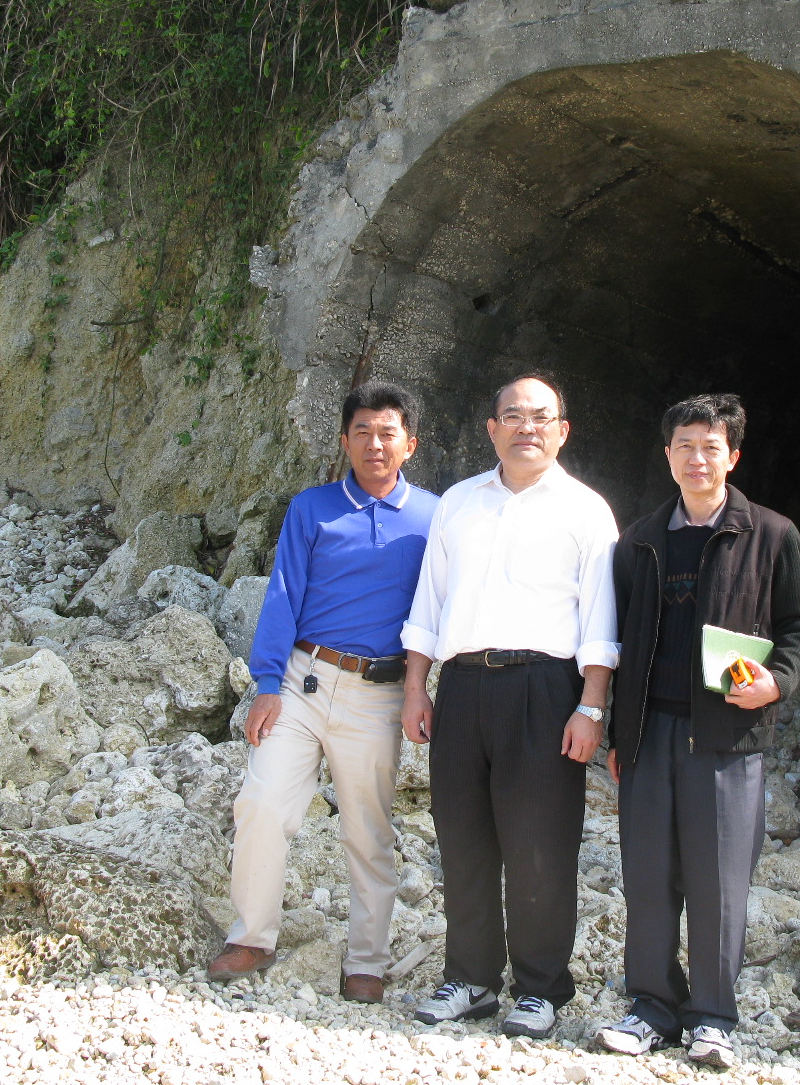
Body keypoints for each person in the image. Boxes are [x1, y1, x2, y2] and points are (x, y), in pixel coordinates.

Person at [595, 393, 800, 1069]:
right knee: (648, 876)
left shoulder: (772, 535)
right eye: (684, 446)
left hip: (726, 735)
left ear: (733, 456)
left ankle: (714, 1017)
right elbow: (620, 641)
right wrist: (615, 736)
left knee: (719, 881)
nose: (697, 458)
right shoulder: (637, 541)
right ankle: (650, 1007)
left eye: (710, 447)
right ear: (667, 456)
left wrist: (777, 681)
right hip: (647, 733)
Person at [400, 372, 619, 1038]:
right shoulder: (459, 504)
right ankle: (468, 978)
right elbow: (430, 599)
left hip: (545, 689)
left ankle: (540, 987)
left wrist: (591, 708)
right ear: (491, 429)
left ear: (562, 431)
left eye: (541, 416)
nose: (528, 426)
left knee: (539, 847)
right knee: (462, 839)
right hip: (463, 685)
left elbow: (600, 619)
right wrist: (417, 685)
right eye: (513, 415)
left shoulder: (586, 511)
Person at [207, 381, 439, 1004]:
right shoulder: (311, 508)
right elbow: (283, 593)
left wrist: (425, 688)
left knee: (369, 830)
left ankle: (367, 959)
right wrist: (264, 684)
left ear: (410, 444)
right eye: (361, 431)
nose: (374, 443)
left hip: (380, 693)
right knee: (261, 801)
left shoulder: (435, 516)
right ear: (344, 441)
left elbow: (446, 606)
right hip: (302, 683)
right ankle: (253, 935)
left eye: (388, 432)